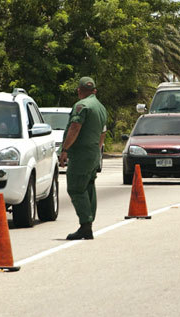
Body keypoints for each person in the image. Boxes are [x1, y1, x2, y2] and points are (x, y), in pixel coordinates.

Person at [59, 76, 107, 240]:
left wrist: (65, 149)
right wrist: (97, 151)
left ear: (79, 91)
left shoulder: (81, 106)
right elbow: (103, 133)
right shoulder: (100, 107)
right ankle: (88, 224)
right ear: (94, 91)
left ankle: (85, 225)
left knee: (76, 188)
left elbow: (75, 127)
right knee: (88, 187)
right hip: (93, 153)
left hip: (81, 154)